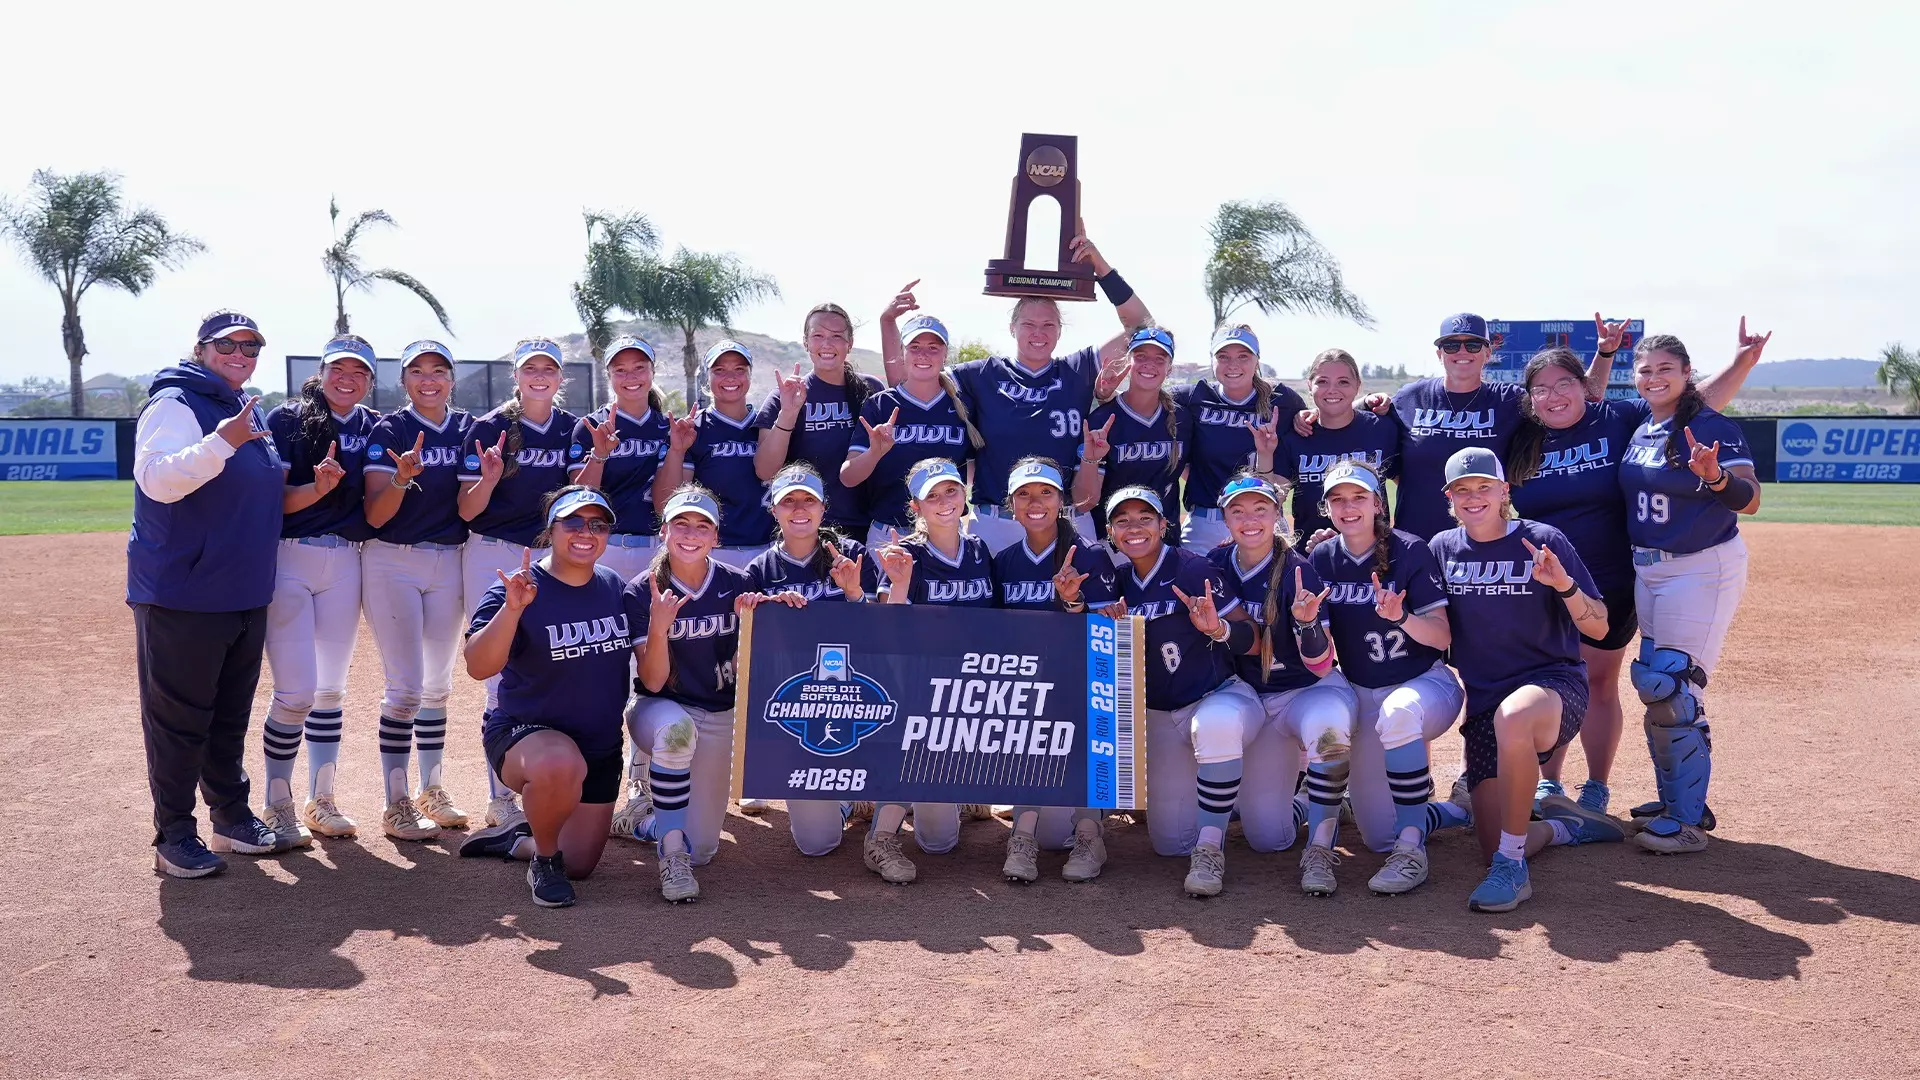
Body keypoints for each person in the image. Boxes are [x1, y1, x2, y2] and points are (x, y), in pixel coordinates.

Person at [1513, 317, 1769, 814]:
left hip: (1612, 576)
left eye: (1566, 383)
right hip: (1546, 579)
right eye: (1542, 388)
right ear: (1530, 397)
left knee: (1607, 681)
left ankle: (1598, 787)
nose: (1555, 394)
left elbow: (1691, 405)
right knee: (1553, 677)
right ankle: (1551, 784)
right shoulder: (1521, 440)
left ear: (1584, 386)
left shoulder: (1619, 418)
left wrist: (1742, 363)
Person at [1429, 447, 1627, 913]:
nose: (1473, 497)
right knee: (1488, 841)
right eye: (1462, 490)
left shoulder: (1542, 539)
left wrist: (1563, 584)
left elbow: (1598, 627)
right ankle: (1566, 827)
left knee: (1514, 717)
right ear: (1450, 497)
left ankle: (1512, 869)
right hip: (1485, 702)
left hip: (1553, 688)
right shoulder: (1442, 549)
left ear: (1505, 492)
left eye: (1484, 487)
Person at [131, 310, 287, 877]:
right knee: (179, 719)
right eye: (229, 344)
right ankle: (173, 831)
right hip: (184, 590)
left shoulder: (241, 406)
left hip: (242, 589)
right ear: (202, 348)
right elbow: (157, 479)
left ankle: (230, 814)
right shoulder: (176, 402)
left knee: (228, 713)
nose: (241, 354)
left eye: (251, 346)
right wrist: (223, 440)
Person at [1617, 331, 1764, 854]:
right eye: (1645, 370)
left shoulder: (1710, 425)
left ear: (1685, 375)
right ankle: (1678, 798)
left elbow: (1750, 500)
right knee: (1652, 680)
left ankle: (1685, 822)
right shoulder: (1646, 423)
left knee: (1672, 688)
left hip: (1700, 567)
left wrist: (1716, 476)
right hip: (1649, 568)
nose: (1654, 378)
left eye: (1665, 370)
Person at [457, 488, 635, 907]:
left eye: (597, 524)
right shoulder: (516, 588)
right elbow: (478, 666)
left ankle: (520, 841)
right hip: (526, 735)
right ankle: (544, 861)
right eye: (572, 523)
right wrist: (513, 610)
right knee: (559, 762)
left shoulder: (614, 586)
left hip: (599, 745)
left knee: (581, 864)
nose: (585, 533)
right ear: (550, 531)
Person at [1307, 460, 1472, 895]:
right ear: (1326, 508)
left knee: (1399, 713)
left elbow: (1441, 636)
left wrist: (1401, 618)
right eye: (1337, 499)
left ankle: (1413, 851)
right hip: (1361, 691)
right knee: (1379, 836)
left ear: (1378, 502)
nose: (1349, 507)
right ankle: (1449, 813)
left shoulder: (1410, 549)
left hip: (1423, 683)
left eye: (1359, 496)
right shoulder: (1321, 556)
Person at [931, 237, 1145, 553]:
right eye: (1028, 324)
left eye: (1048, 324)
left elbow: (1141, 325)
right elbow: (915, 382)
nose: (1038, 333)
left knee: (1074, 601)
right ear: (1012, 328)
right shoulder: (981, 374)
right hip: (998, 523)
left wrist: (1100, 267)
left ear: (1060, 330)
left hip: (1066, 520)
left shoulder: (1078, 369)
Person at [1102, 485, 1263, 897]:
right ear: (1110, 531)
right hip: (1160, 713)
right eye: (1123, 521)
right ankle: (1229, 797)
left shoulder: (1192, 568)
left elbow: (1256, 638)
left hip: (1217, 695)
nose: (1134, 528)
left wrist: (1219, 629)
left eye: (1145, 518)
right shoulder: (1117, 582)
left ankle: (1211, 848)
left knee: (1271, 831)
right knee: (1170, 843)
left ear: (1164, 524)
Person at [1204, 474, 1359, 896]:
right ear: (1225, 518)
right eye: (1238, 511)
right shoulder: (1215, 566)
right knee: (1266, 838)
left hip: (1310, 691)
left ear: (1278, 515)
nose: (1249, 519)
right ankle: (1309, 801)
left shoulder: (1298, 570)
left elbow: (1321, 661)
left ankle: (1321, 846)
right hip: (1255, 698)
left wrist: (1308, 623)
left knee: (1328, 728)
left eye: (1260, 509)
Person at [617, 486, 765, 900]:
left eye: (703, 526)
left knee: (702, 849)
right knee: (676, 733)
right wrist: (658, 627)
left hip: (718, 711)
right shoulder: (641, 589)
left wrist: (758, 620)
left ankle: (643, 821)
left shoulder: (737, 582)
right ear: (663, 530)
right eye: (681, 523)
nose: (691, 533)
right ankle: (669, 851)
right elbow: (652, 680)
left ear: (716, 537)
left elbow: (746, 665)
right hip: (660, 707)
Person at [259, 334, 377, 846]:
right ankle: (276, 803)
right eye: (338, 369)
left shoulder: (374, 424)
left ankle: (321, 798)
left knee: (330, 691)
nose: (347, 379)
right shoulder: (287, 419)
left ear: (371, 380)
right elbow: (273, 500)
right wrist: (318, 489)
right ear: (322, 371)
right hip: (291, 556)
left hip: (346, 560)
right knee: (295, 692)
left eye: (359, 372)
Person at [461, 338, 580, 829]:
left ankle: (551, 786)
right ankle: (502, 800)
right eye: (530, 368)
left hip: (549, 556)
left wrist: (596, 455)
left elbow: (578, 497)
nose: (539, 376)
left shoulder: (573, 427)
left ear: (560, 378)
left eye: (548, 368)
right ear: (516, 375)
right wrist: (488, 479)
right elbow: (467, 510)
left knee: (549, 664)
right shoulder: (489, 427)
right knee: (497, 675)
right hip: (492, 551)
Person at [361, 339, 473, 841]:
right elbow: (375, 515)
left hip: (449, 560)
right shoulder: (391, 429)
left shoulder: (469, 428)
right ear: (404, 382)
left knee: (437, 688)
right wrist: (402, 479)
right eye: (418, 372)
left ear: (452, 378)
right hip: (393, 562)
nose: (429, 379)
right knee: (405, 687)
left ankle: (432, 788)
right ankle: (396, 801)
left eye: (439, 370)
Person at [866, 459, 998, 882]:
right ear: (916, 506)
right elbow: (886, 632)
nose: (944, 502)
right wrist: (900, 583)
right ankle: (880, 837)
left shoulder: (979, 550)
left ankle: (960, 795)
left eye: (951, 491)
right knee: (915, 739)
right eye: (932, 496)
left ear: (965, 495)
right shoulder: (903, 552)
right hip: (916, 685)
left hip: (967, 683)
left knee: (940, 842)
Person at [990, 458, 1120, 883]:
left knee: (1087, 729)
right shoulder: (1006, 560)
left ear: (1062, 500)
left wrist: (1073, 604)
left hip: (1083, 681)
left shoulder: (1092, 555)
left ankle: (1090, 834)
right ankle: (1021, 837)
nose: (1035, 501)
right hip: (1028, 684)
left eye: (1045, 492)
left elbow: (1108, 634)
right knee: (1046, 832)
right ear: (1011, 504)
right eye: (1024, 494)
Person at [741, 464, 883, 839]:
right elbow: (754, 657)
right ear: (773, 510)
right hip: (800, 700)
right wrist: (766, 612)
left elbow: (883, 638)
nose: (799, 508)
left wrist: (854, 594)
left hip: (860, 691)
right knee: (815, 843)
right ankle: (849, 801)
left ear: (823, 508)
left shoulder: (851, 552)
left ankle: (861, 791)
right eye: (788, 501)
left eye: (809, 500)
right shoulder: (759, 568)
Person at [846, 310, 981, 564]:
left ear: (945, 354)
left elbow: (975, 474)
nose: (923, 354)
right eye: (915, 346)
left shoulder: (963, 407)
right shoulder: (881, 405)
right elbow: (849, 477)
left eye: (933, 347)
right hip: (890, 533)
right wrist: (875, 453)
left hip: (946, 535)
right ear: (902, 354)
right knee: (886, 602)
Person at [754, 303, 885, 535]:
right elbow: (765, 471)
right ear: (806, 342)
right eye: (818, 335)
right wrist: (788, 413)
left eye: (836, 336)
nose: (827, 344)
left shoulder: (871, 390)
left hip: (867, 526)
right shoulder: (784, 396)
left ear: (850, 343)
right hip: (804, 530)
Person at [1172, 325, 1304, 552]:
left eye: (1243, 356)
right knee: (1194, 585)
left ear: (1257, 361)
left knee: (1267, 587)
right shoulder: (1193, 397)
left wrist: (1367, 404)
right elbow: (1139, 402)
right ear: (1212, 360)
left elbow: (1325, 418)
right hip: (1206, 522)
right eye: (1223, 357)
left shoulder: (1282, 400)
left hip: (1261, 520)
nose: (1233, 365)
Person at [656, 340, 773, 569]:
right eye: (719, 370)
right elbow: (665, 504)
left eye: (739, 370)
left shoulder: (768, 426)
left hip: (767, 549)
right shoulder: (693, 427)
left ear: (750, 376)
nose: (730, 377)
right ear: (706, 380)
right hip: (714, 553)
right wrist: (677, 451)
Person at [1073, 327, 1189, 547]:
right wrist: (1091, 459)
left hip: (1166, 543)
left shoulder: (1182, 418)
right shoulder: (1103, 420)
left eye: (1159, 358)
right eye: (1140, 356)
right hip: (1112, 545)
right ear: (1128, 361)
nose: (1149, 364)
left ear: (1170, 368)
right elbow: (1084, 502)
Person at [569, 334, 671, 583]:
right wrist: (600, 455)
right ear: (609, 376)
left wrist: (677, 449)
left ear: (652, 372)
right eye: (620, 370)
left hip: (656, 546)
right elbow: (578, 498)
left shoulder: (669, 428)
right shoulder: (591, 426)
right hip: (603, 546)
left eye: (639, 368)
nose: (631, 377)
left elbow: (670, 500)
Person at [1278, 348, 1399, 551]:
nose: (1332, 390)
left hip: (1375, 555)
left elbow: (1404, 482)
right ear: (1309, 385)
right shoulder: (1296, 435)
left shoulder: (1381, 429)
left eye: (1343, 382)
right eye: (1322, 381)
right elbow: (1277, 492)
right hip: (1311, 554)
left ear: (1358, 386)